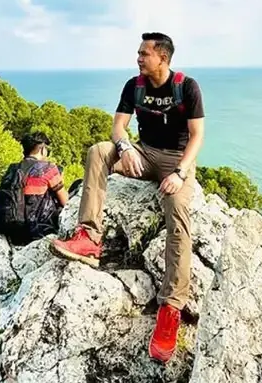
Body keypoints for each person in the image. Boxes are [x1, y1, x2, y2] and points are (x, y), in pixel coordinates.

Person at [50, 32, 205, 363]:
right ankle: (88, 237)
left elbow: (197, 136)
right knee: (98, 151)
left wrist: (179, 173)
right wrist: (124, 148)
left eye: (144, 53)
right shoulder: (133, 86)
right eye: (138, 53)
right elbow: (118, 127)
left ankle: (171, 308)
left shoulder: (186, 86)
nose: (138, 58)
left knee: (178, 217)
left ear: (162, 58)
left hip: (176, 161)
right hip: (143, 154)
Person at [0, 131, 68, 244]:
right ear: (42, 149)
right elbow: (65, 202)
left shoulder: (13, 168)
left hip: (10, 229)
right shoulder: (48, 168)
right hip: (36, 230)